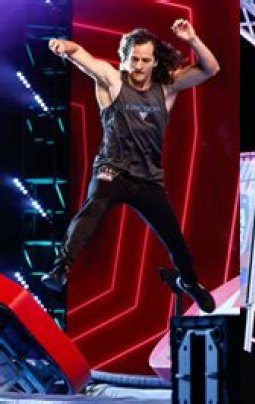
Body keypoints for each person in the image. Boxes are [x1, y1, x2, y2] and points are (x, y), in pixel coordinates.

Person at [42, 20, 220, 313]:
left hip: (148, 180)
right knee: (93, 207)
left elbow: (211, 69)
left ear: (154, 62)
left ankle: (189, 282)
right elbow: (80, 54)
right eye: (134, 59)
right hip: (112, 171)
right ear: (124, 58)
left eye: (145, 60)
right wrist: (63, 46)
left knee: (176, 241)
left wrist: (192, 39)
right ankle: (61, 269)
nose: (138, 66)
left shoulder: (167, 87)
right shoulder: (112, 79)